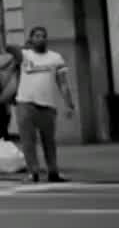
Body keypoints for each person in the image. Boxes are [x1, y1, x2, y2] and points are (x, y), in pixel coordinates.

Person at [13, 26, 74, 183]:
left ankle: (53, 171)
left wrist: (69, 103)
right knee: (28, 140)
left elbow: (63, 83)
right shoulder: (25, 55)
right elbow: (9, 48)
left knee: (49, 141)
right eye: (37, 36)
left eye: (43, 36)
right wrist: (23, 47)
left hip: (47, 105)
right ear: (31, 39)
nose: (41, 39)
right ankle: (33, 172)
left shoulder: (55, 58)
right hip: (25, 102)